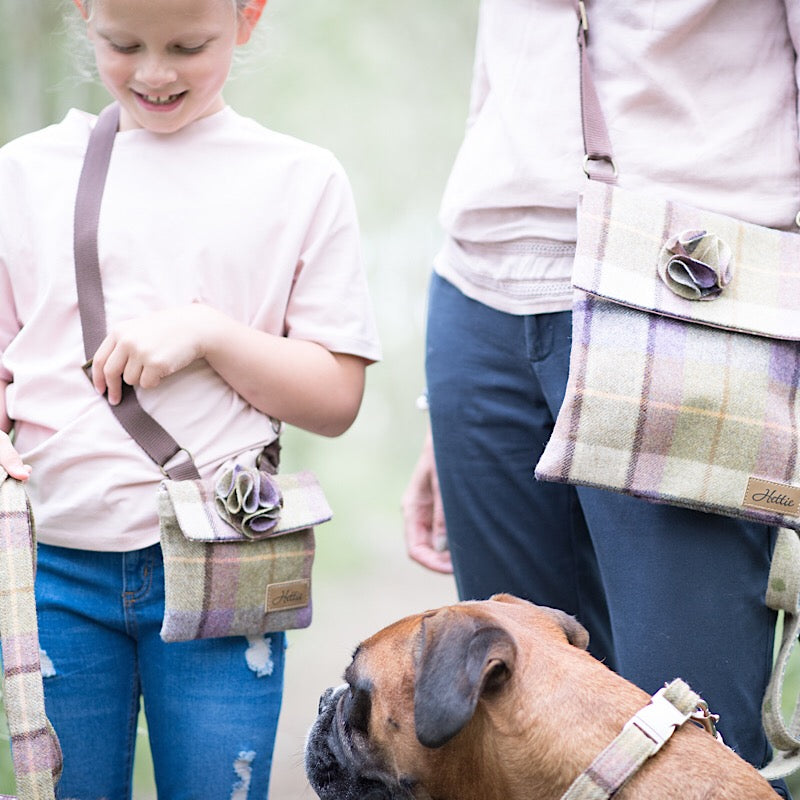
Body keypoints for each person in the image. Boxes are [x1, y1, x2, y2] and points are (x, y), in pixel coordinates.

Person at [402, 1, 799, 796]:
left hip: (689, 288)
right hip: (485, 293)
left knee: (690, 748)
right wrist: (438, 415)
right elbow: (507, 71)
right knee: (504, 741)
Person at [0, 0, 380, 797]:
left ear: (247, 17)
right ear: (83, 16)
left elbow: (336, 396)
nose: (154, 72)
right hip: (55, 566)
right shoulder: (24, 173)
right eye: (123, 43)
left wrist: (209, 333)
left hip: (224, 564)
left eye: (187, 45)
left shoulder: (300, 179)